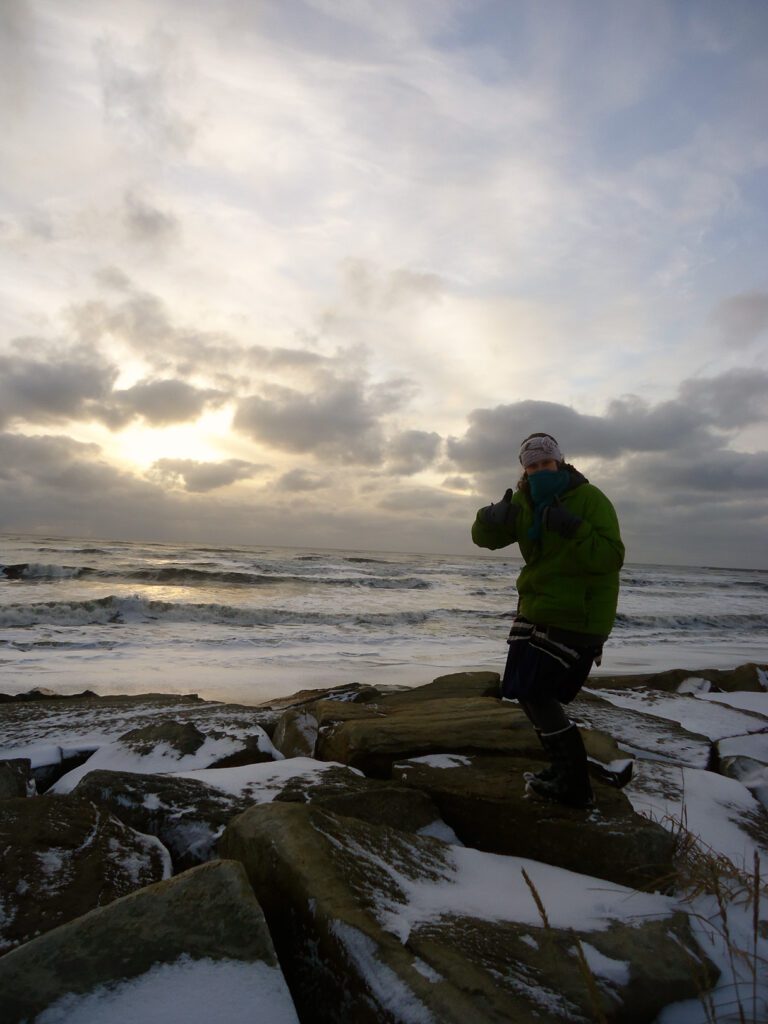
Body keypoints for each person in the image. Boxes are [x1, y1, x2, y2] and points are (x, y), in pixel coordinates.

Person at [471, 432, 625, 808]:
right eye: (533, 465)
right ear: (524, 469)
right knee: (521, 689)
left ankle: (575, 785)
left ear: (559, 461)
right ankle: (562, 770)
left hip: (578, 613)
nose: (540, 470)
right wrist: (488, 518)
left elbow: (611, 557)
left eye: (546, 463)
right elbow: (485, 539)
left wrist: (574, 528)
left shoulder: (589, 498)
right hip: (536, 607)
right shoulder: (523, 501)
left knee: (537, 693)